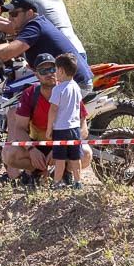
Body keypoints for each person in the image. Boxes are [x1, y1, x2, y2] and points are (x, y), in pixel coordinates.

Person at [1, 53, 90, 186]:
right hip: (37, 144)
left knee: (86, 154)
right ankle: (34, 172)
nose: (49, 74)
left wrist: (60, 148)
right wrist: (31, 150)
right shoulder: (30, 94)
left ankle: (65, 173)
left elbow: (83, 128)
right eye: (44, 71)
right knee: (9, 154)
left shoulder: (69, 89)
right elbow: (19, 128)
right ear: (36, 75)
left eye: (52, 69)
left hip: (63, 141)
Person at [0, 0, 93, 92]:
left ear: (30, 13)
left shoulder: (34, 27)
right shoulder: (35, 24)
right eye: (9, 14)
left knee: (22, 108)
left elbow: (8, 52)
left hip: (73, 85)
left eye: (14, 14)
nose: (10, 18)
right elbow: (9, 37)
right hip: (67, 81)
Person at [47, 53, 85, 189]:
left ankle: (56, 183)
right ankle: (78, 182)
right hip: (74, 128)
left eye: (55, 70)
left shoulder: (58, 89)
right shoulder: (76, 87)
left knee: (60, 159)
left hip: (60, 129)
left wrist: (48, 128)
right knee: (75, 158)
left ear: (61, 71)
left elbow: (53, 110)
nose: (54, 73)